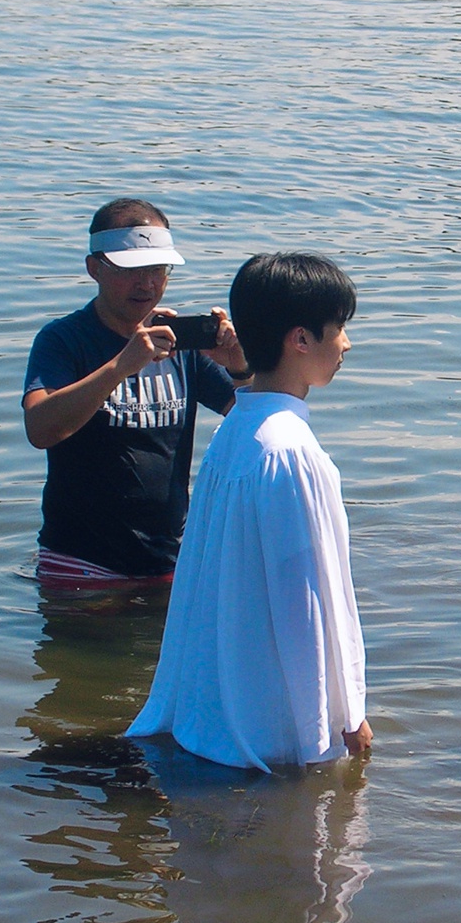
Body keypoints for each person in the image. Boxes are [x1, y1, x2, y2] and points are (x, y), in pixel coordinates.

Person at [127, 253, 372, 771]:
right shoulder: (291, 452)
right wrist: (349, 712)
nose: (346, 344)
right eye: (339, 329)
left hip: (212, 712)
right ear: (300, 339)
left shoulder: (234, 431)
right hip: (268, 730)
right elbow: (308, 596)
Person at [22, 198, 252, 585]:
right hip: (79, 563)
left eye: (158, 269)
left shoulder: (180, 343)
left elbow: (253, 421)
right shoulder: (63, 340)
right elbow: (40, 428)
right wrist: (121, 366)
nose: (146, 283)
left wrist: (240, 367)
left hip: (169, 559)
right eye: (131, 270)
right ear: (94, 268)